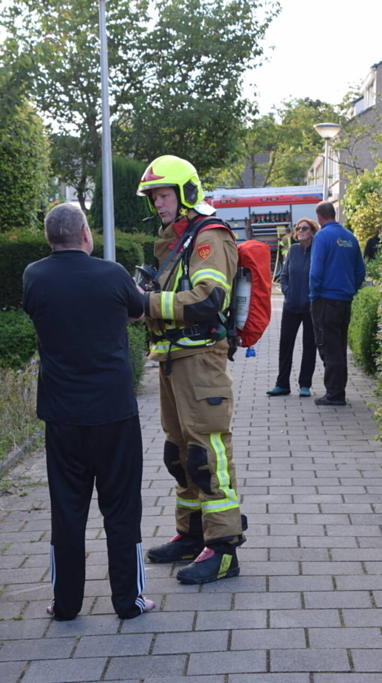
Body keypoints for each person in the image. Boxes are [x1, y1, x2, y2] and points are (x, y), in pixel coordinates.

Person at [22, 203, 154, 621]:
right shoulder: (113, 274)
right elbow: (138, 309)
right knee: (121, 508)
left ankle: (65, 605)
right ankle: (128, 602)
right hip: (114, 412)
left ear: (49, 238)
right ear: (84, 235)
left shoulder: (34, 276)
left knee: (67, 510)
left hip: (62, 415)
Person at [136, 155, 246, 585]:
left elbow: (206, 300)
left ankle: (223, 549)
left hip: (200, 360)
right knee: (179, 454)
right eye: (153, 197)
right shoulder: (174, 239)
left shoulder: (208, 236)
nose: (157, 204)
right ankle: (192, 533)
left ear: (186, 193)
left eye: (163, 194)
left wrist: (144, 304)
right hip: (172, 359)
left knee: (207, 453)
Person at [309, 201, 365, 407]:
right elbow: (360, 270)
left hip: (326, 299)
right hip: (344, 300)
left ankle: (334, 394)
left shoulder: (322, 236)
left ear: (319, 217)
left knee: (328, 345)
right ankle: (338, 389)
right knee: (340, 345)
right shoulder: (350, 236)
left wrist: (313, 295)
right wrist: (350, 289)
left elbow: (316, 271)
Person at [267, 218, 319, 398]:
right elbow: (285, 275)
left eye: (305, 228)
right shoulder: (293, 251)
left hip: (310, 306)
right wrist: (287, 292)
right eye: (299, 228)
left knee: (309, 346)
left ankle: (305, 384)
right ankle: (282, 384)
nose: (301, 231)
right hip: (290, 306)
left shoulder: (318, 251)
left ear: (312, 231)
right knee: (285, 345)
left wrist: (313, 297)